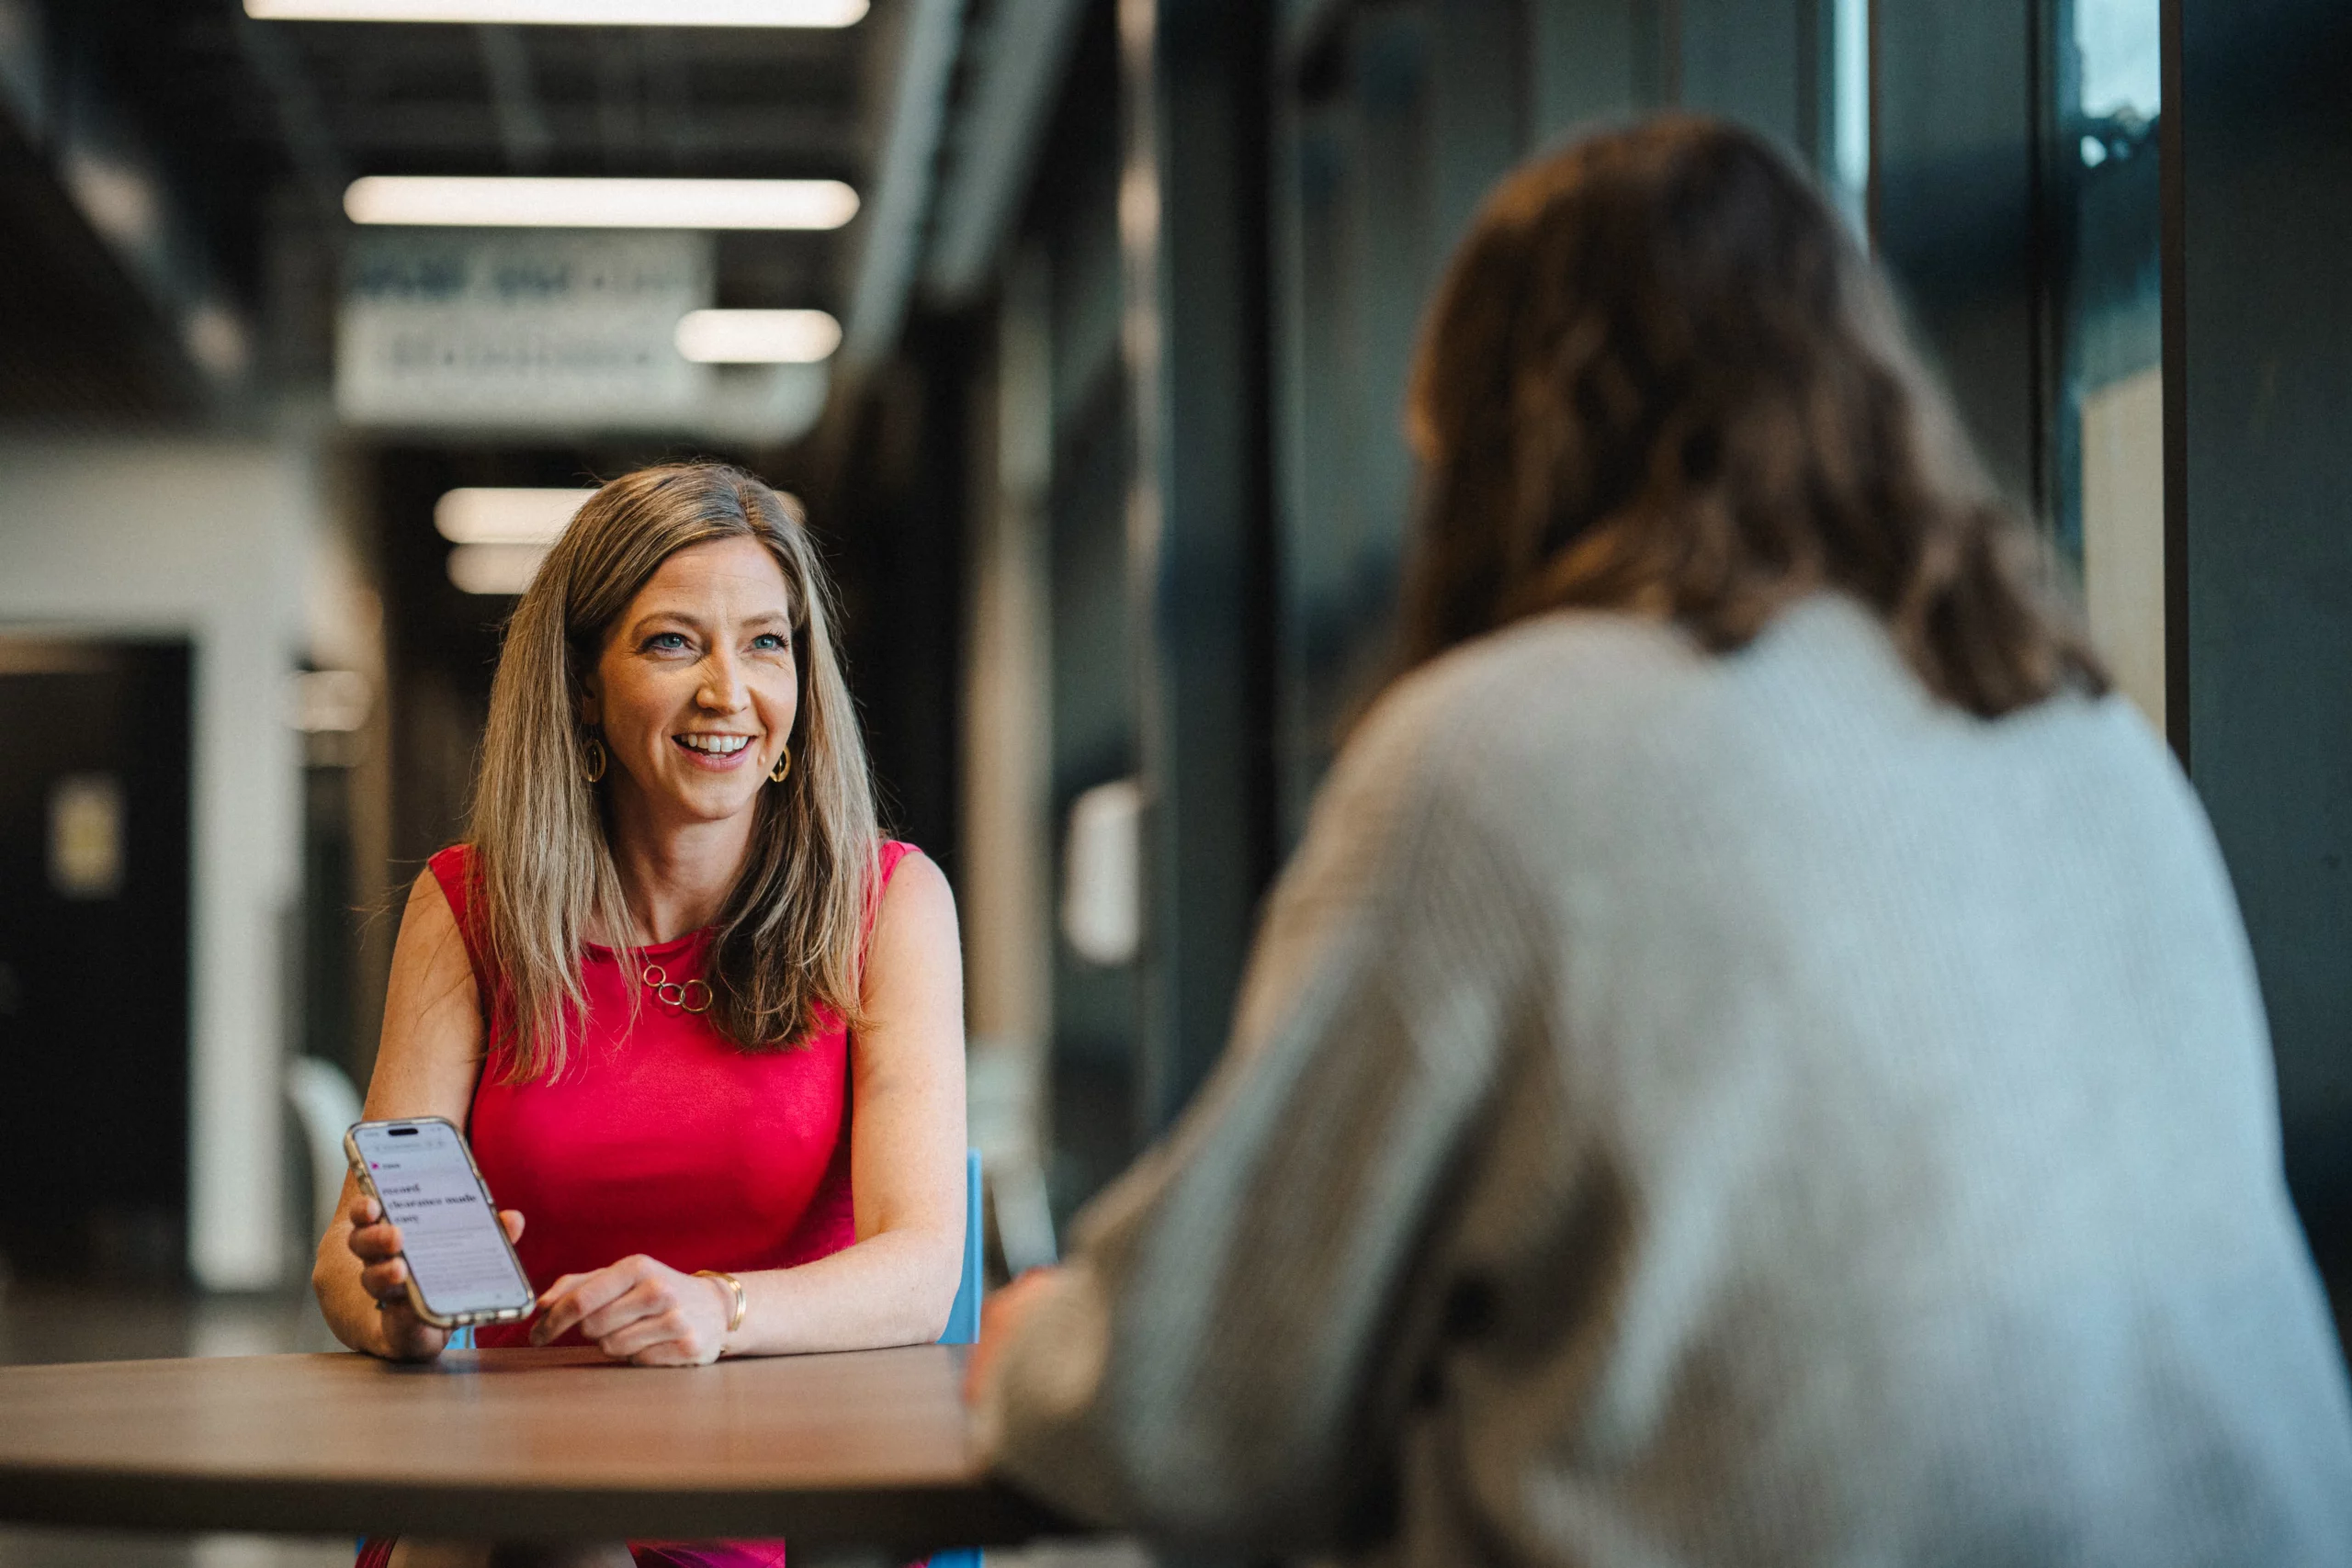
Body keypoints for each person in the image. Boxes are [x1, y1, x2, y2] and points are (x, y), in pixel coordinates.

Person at [968, 118, 2352, 1565]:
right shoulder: (2078, 726)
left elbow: (1205, 1406)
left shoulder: (1497, 752)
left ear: (1498, 433)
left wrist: (1051, 1348)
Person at [313, 464, 967, 1568]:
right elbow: (345, 1257)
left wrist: (719, 1312)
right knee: (549, 1543)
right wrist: (405, 1310)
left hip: (777, 1483)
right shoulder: (471, 905)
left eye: (766, 643)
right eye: (673, 643)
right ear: (580, 685)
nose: (728, 691)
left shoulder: (889, 903)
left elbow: (921, 1266)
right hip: (514, 1493)